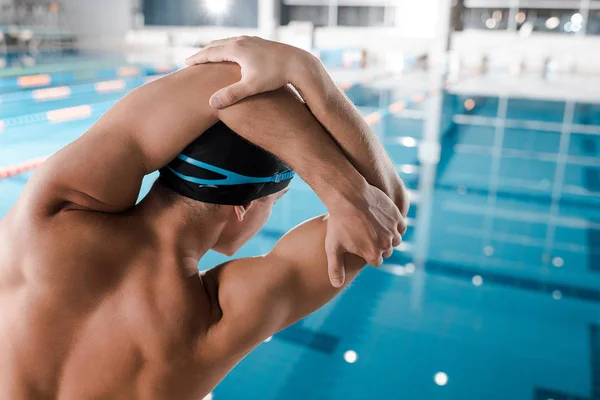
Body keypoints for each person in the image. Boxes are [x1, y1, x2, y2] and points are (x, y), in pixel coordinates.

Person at [0, 37, 409, 399]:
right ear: (243, 206)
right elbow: (380, 223)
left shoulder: (50, 216)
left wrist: (300, 68)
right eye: (276, 200)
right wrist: (312, 80)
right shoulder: (211, 325)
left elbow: (221, 83)